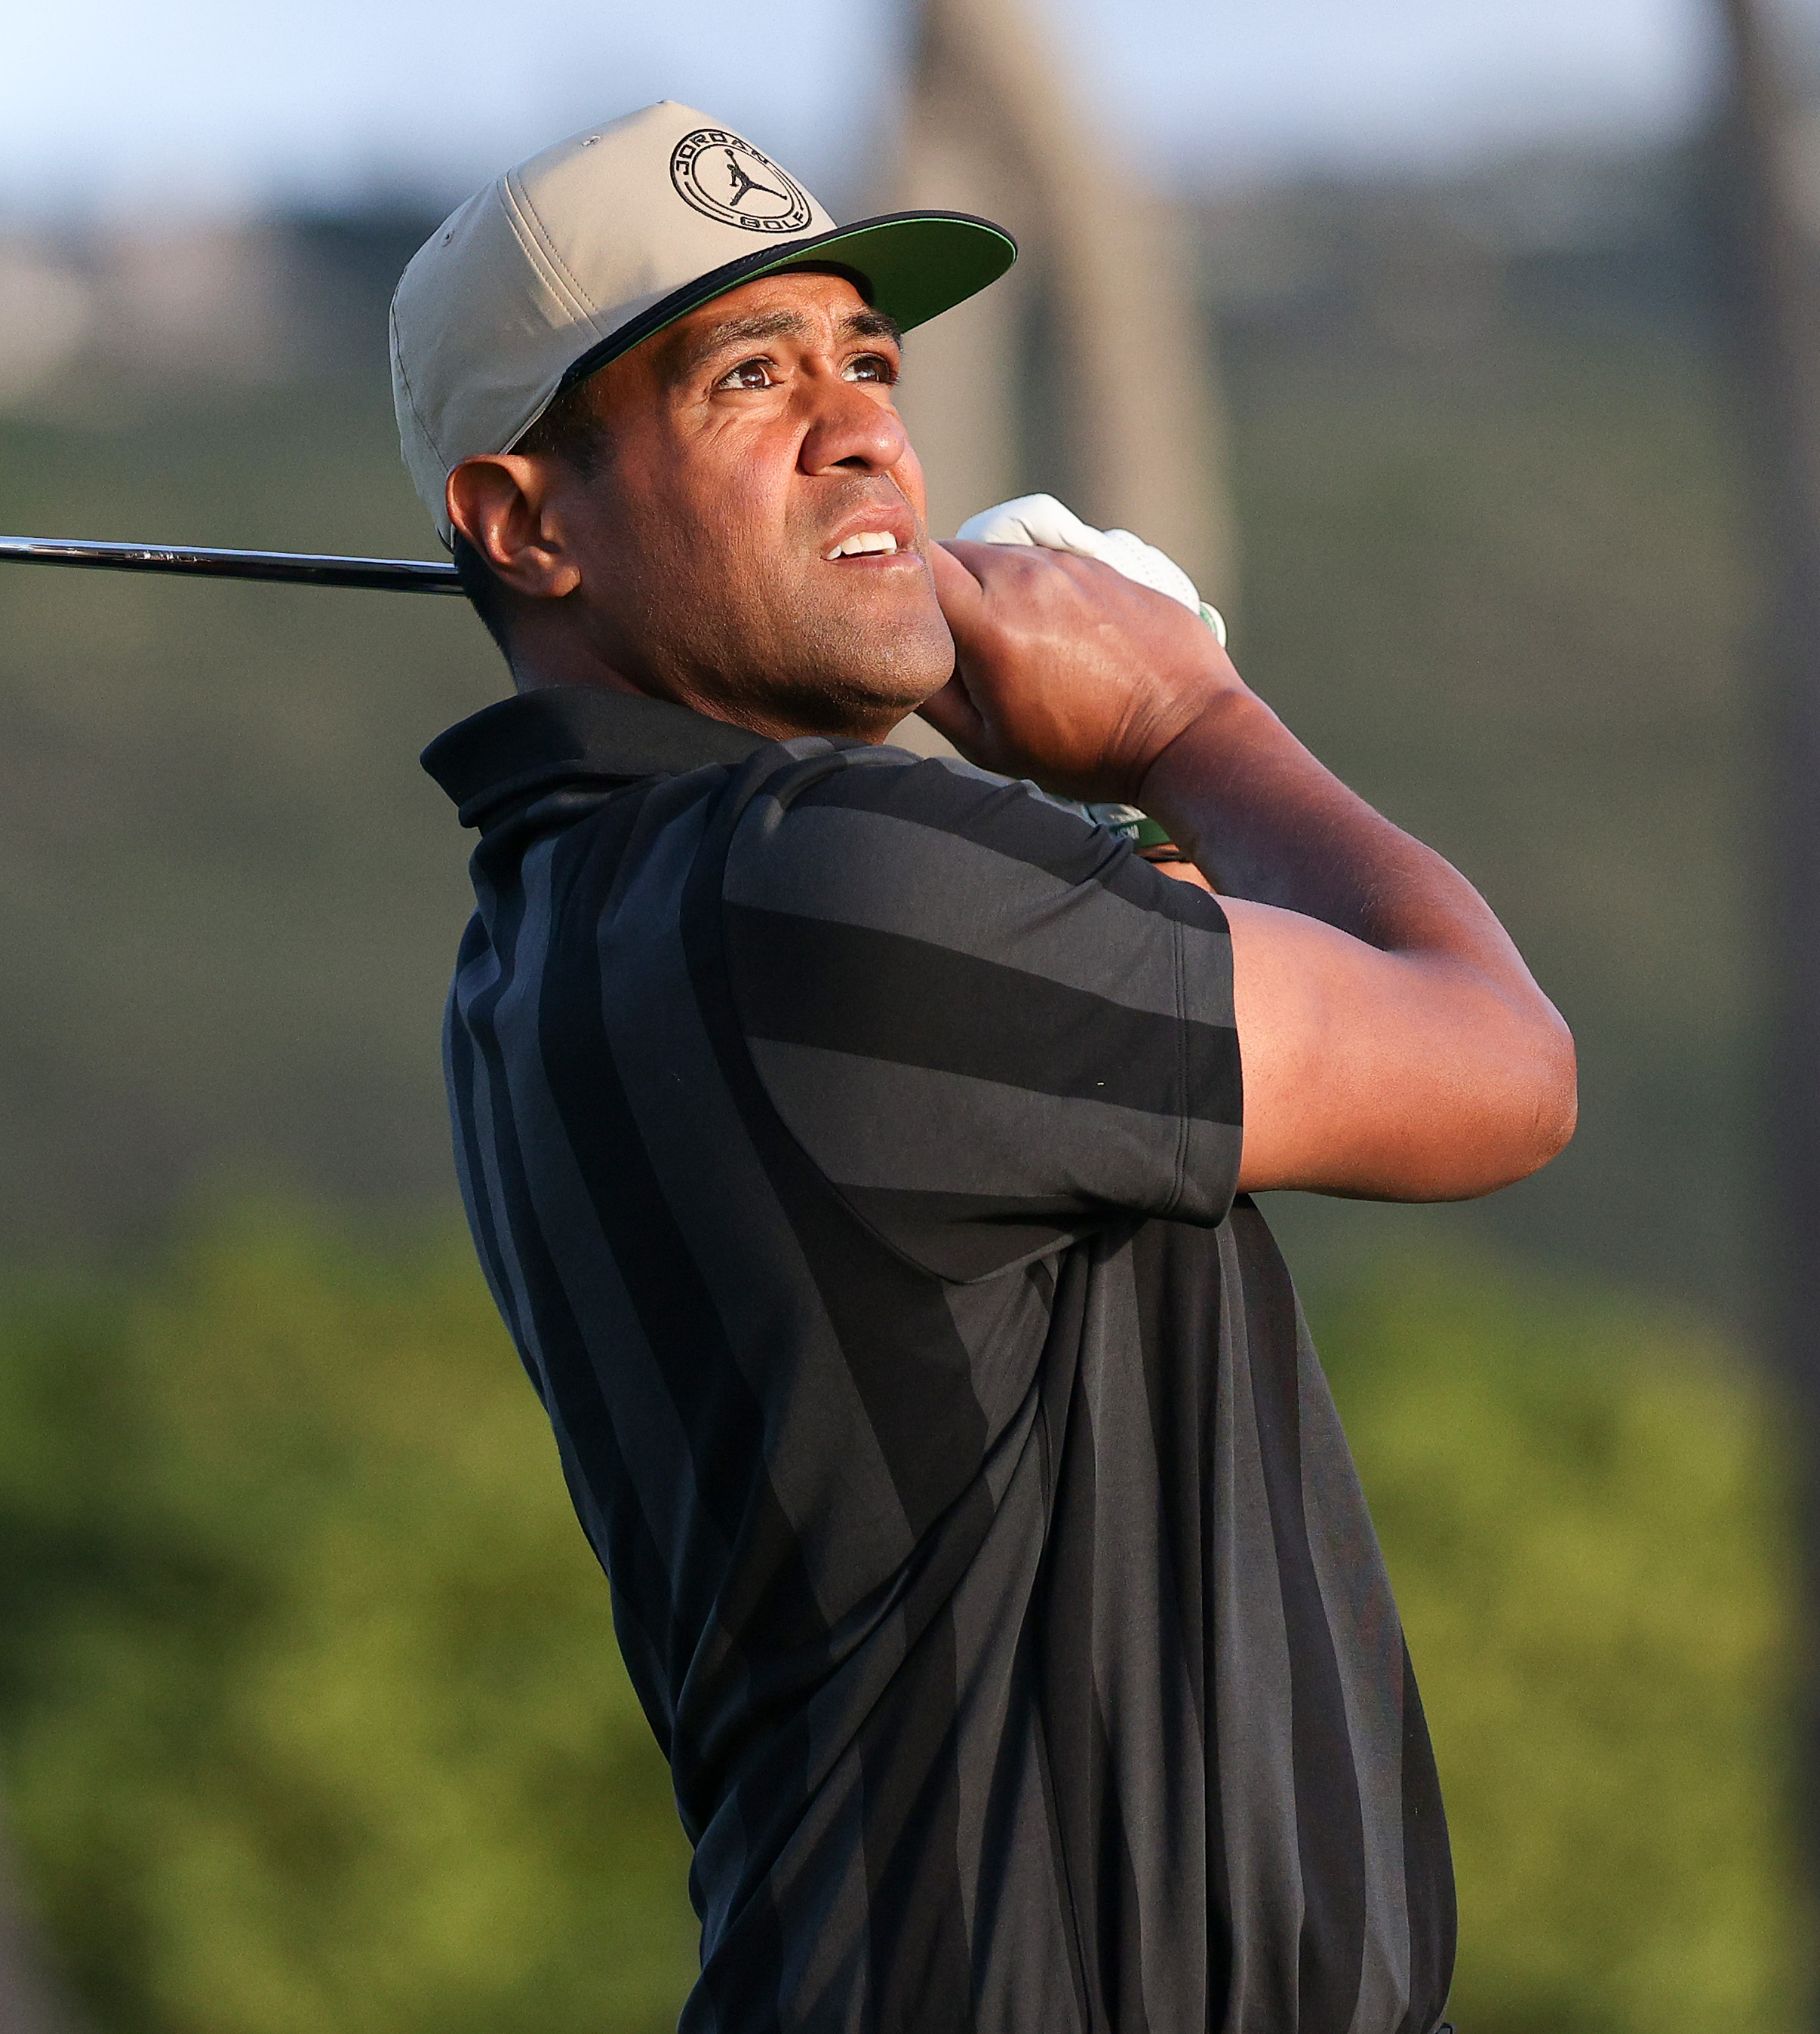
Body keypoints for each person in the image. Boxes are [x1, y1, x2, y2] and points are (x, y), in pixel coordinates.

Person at [398, 102, 1575, 2034]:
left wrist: (1118, 801)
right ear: (527, 524)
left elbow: (1081, 1031)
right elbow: (1501, 1066)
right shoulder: (825, 883)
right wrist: (1193, 714)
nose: (862, 425)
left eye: (867, 360)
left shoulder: (563, 931)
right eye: (748, 379)